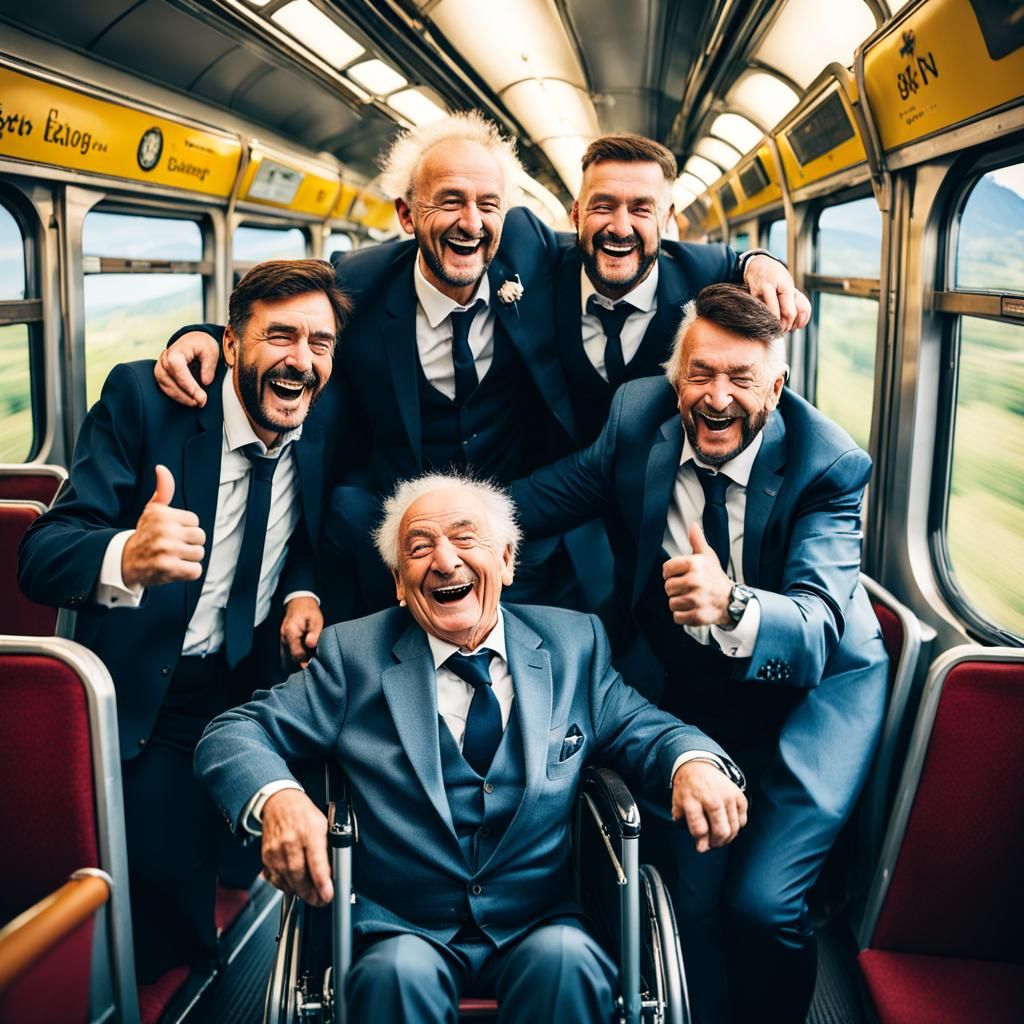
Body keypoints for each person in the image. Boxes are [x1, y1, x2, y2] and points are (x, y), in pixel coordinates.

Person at [151, 117, 807, 616]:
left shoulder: (529, 249)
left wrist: (756, 262)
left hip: (525, 537)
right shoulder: (359, 280)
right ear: (407, 215)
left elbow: (667, 250)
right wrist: (206, 337)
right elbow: (278, 312)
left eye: (487, 205)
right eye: (449, 202)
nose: (471, 223)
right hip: (397, 537)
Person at [193, 473, 749, 1024]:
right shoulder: (351, 655)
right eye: (419, 548)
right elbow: (232, 732)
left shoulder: (574, 644)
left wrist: (693, 763)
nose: (444, 561)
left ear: (506, 561)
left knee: (568, 964)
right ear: (399, 583)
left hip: (538, 923)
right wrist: (281, 799)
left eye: (464, 538)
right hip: (401, 930)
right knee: (395, 977)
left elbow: (647, 728)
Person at [509, 284, 888, 1024]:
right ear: (675, 378)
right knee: (688, 900)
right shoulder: (636, 418)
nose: (717, 398)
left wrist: (731, 604)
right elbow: (541, 499)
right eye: (701, 375)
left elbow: (816, 626)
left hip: (817, 691)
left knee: (761, 903)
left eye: (742, 379)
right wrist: (439, 531)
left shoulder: (828, 464)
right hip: (696, 686)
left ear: (775, 387)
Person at [18, 259, 350, 981]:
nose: (301, 360)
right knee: (170, 929)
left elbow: (306, 532)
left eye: (319, 343)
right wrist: (126, 556)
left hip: (256, 685)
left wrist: (303, 592)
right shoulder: (144, 400)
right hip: (156, 696)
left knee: (324, 858)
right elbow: (40, 557)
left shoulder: (324, 414)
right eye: (279, 336)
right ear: (229, 344)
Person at [556, 133, 810, 443]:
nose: (620, 228)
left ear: (666, 218)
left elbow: (745, 263)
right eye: (603, 206)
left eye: (641, 209)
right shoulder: (544, 265)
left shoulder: (706, 270)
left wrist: (762, 262)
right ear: (576, 214)